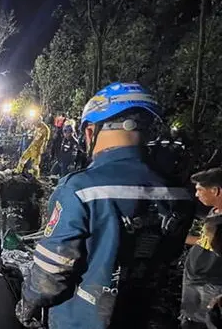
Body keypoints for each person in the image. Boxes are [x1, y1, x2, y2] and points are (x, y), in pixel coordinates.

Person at [17, 82, 195, 329]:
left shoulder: (79, 189)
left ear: (91, 130)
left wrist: (26, 304)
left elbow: (49, 280)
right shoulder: (180, 194)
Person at [180, 168, 222, 329]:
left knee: (208, 321)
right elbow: (205, 241)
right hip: (195, 278)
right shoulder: (214, 212)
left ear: (215, 190)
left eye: (199, 190)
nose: (197, 195)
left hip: (212, 281)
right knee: (190, 320)